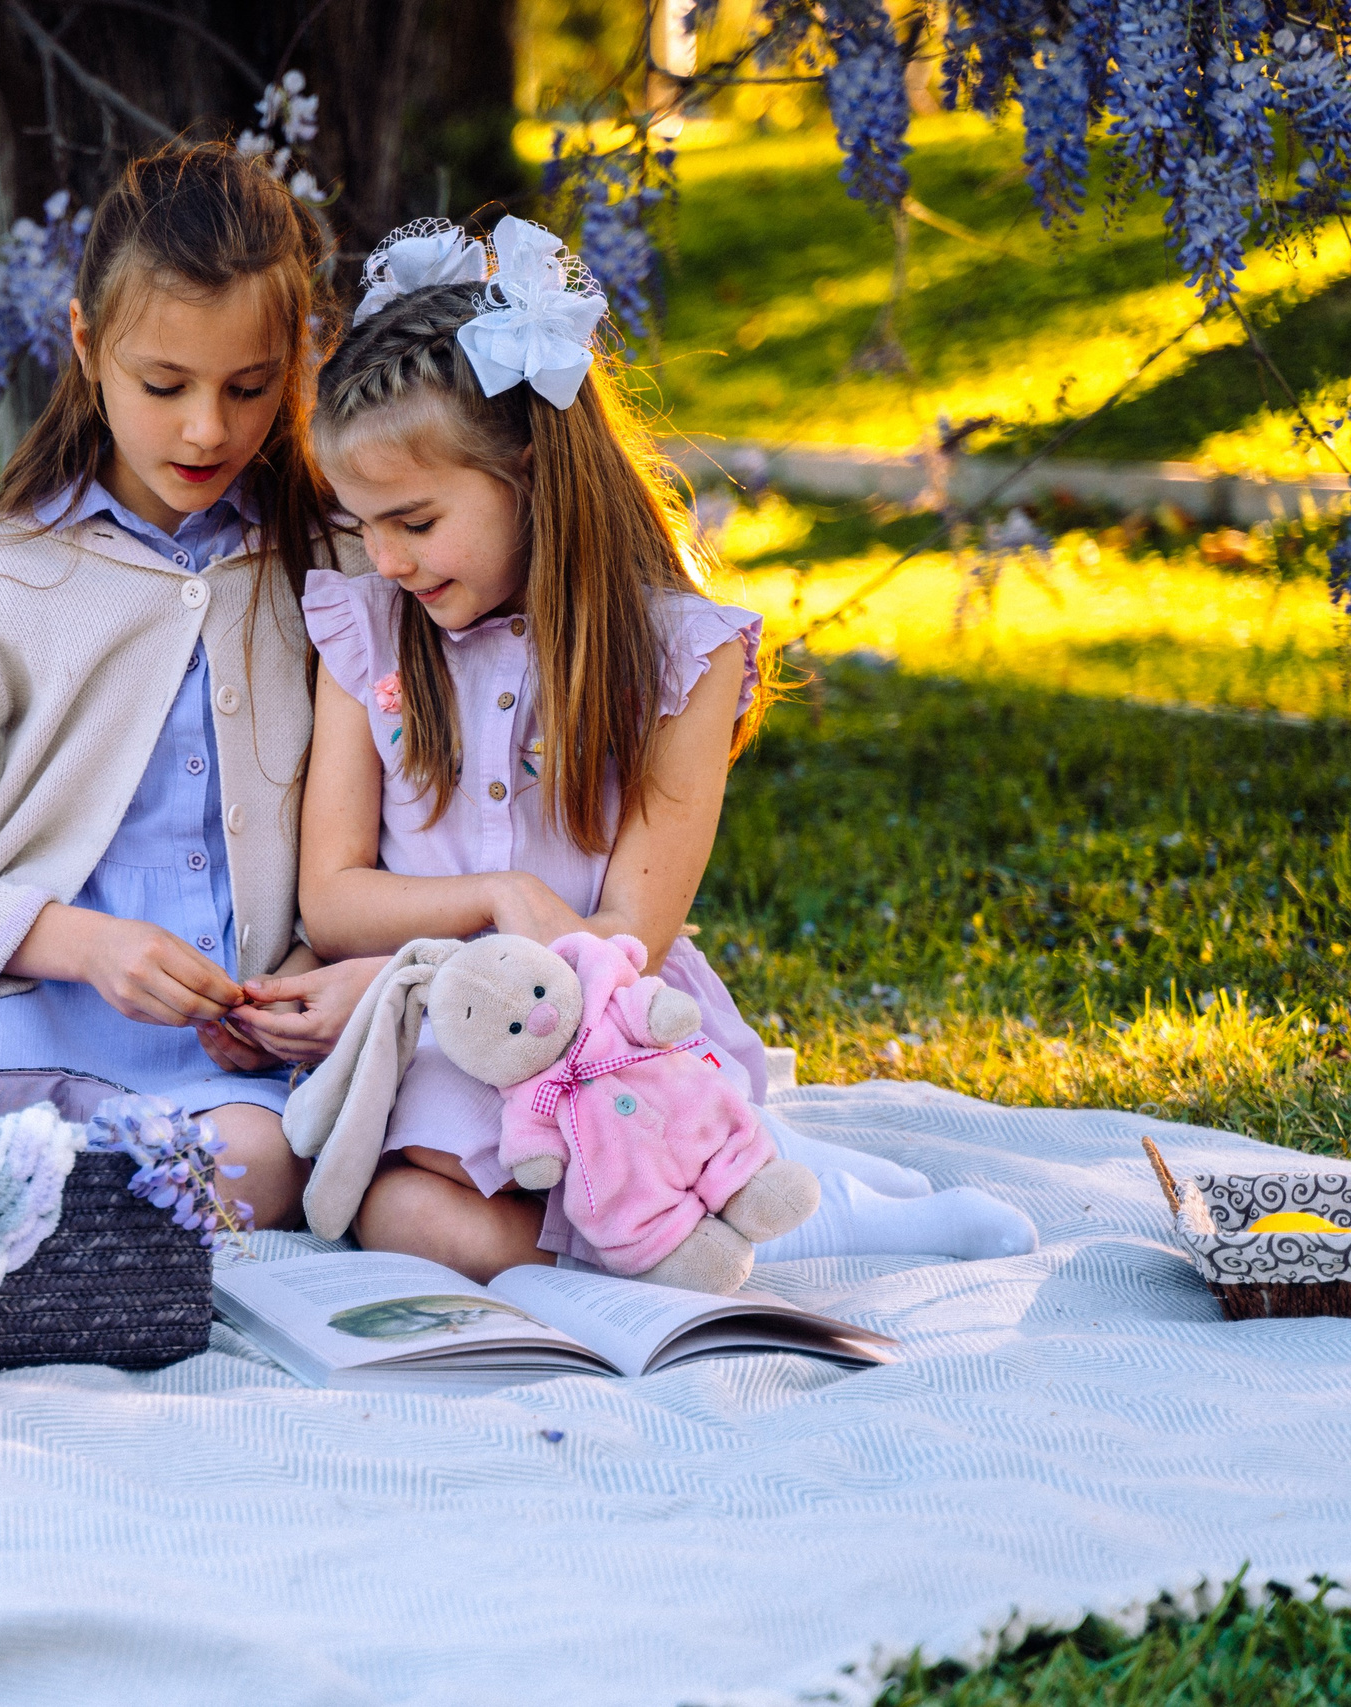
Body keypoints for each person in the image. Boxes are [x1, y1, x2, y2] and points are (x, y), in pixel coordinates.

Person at [225, 219, 1036, 1281]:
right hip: (436, 1039)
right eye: (363, 522)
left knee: (581, 1148)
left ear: (530, 475)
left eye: (414, 521)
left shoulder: (678, 660)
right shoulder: (366, 631)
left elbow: (626, 938)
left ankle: (808, 1205)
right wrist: (495, 906)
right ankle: (723, 1202)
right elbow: (332, 897)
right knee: (405, 1214)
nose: (383, 556)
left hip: (601, 1026)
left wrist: (413, 973)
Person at [0, 140, 368, 1231]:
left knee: (257, 1163)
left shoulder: (335, 566)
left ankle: (7, 1221)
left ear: (300, 363)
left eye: (249, 388)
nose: (206, 428)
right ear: (85, 344)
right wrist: (87, 945)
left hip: (221, 1062)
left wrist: (304, 977)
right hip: (14, 1015)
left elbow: (373, 840)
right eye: (163, 386)